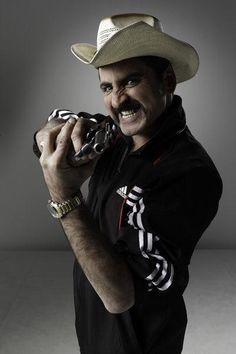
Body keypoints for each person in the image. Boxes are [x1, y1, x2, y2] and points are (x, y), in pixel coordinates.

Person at [33, 13, 223, 354]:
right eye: (107, 86)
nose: (117, 100)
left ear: (167, 81)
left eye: (131, 81)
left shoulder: (189, 174)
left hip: (142, 344)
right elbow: (55, 128)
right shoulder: (116, 138)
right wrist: (47, 133)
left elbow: (120, 297)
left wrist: (64, 197)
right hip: (93, 333)